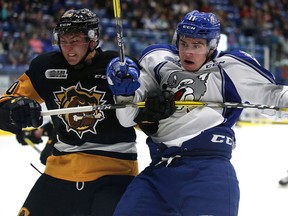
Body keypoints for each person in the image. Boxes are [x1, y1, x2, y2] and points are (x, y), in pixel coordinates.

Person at [106, 10, 288, 216]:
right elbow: (126, 117)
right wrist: (123, 91)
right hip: (158, 173)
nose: (188, 52)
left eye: (197, 45)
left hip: (208, 172)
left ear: (211, 47)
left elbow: (275, 99)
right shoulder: (157, 61)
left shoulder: (230, 69)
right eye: (184, 44)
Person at [0, 8, 140, 216]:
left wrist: (152, 109)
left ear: (93, 40)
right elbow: (6, 102)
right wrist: (13, 109)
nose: (69, 49)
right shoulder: (45, 67)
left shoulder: (118, 69)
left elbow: (146, 119)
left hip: (115, 171)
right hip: (60, 170)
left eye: (75, 41)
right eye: (63, 41)